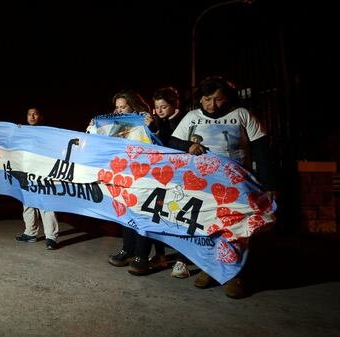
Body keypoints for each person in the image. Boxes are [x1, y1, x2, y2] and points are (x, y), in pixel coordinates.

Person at [169, 75, 275, 298]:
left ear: (227, 98)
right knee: (207, 227)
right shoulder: (191, 117)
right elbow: (173, 142)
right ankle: (211, 270)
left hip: (236, 184)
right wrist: (188, 146)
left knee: (235, 229)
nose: (212, 105)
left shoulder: (242, 115)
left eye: (217, 99)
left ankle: (236, 275)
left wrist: (268, 185)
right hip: (202, 184)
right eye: (207, 99)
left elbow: (262, 150)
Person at [88, 90, 162, 276]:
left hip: (144, 176)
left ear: (133, 106)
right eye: (118, 107)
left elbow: (159, 142)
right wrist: (93, 127)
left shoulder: (146, 120)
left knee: (142, 215)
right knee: (126, 213)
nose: (120, 110)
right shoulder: (114, 124)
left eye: (124, 107)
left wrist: (152, 127)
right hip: (123, 176)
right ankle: (127, 250)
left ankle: (141, 256)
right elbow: (96, 140)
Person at [149, 86, 192, 278]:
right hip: (162, 176)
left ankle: (183, 260)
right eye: (157, 107)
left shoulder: (186, 120)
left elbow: (171, 143)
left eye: (163, 106)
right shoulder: (159, 121)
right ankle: (160, 255)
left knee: (183, 218)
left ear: (175, 105)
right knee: (158, 214)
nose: (159, 110)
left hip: (183, 177)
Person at [14, 107, 59, 250]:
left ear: (40, 117)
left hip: (43, 172)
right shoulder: (22, 132)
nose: (32, 116)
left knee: (46, 204)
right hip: (26, 171)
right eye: (29, 114)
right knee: (28, 203)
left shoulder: (47, 132)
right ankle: (30, 233)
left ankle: (51, 237)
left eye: (35, 114)